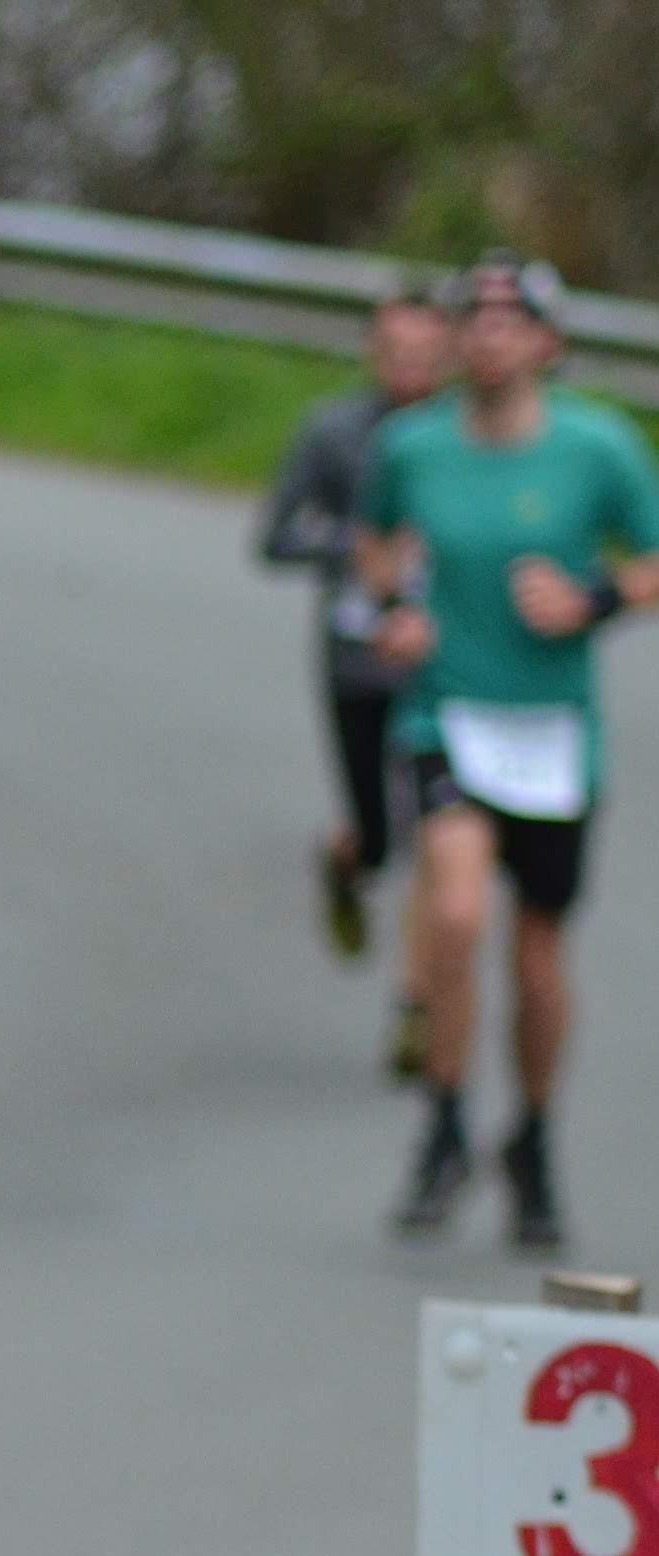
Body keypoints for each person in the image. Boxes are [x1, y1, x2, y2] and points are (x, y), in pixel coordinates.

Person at [361, 254, 659, 1251]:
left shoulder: (596, 447)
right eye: (471, 321)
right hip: (443, 714)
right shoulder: (411, 446)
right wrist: (395, 610)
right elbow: (373, 540)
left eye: (506, 322)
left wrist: (593, 601)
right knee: (453, 912)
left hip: (550, 732)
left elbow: (652, 555)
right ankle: (443, 1124)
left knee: (536, 960)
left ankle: (530, 1138)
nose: (485, 337)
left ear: (546, 342)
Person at [258, 287, 454, 980]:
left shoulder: (468, 439)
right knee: (377, 838)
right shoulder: (333, 431)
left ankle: (419, 999)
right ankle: (345, 862)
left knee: (441, 834)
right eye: (396, 351)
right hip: (357, 657)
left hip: (443, 662)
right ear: (373, 351)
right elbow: (274, 539)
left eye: (426, 354)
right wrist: (359, 546)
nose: (410, 367)